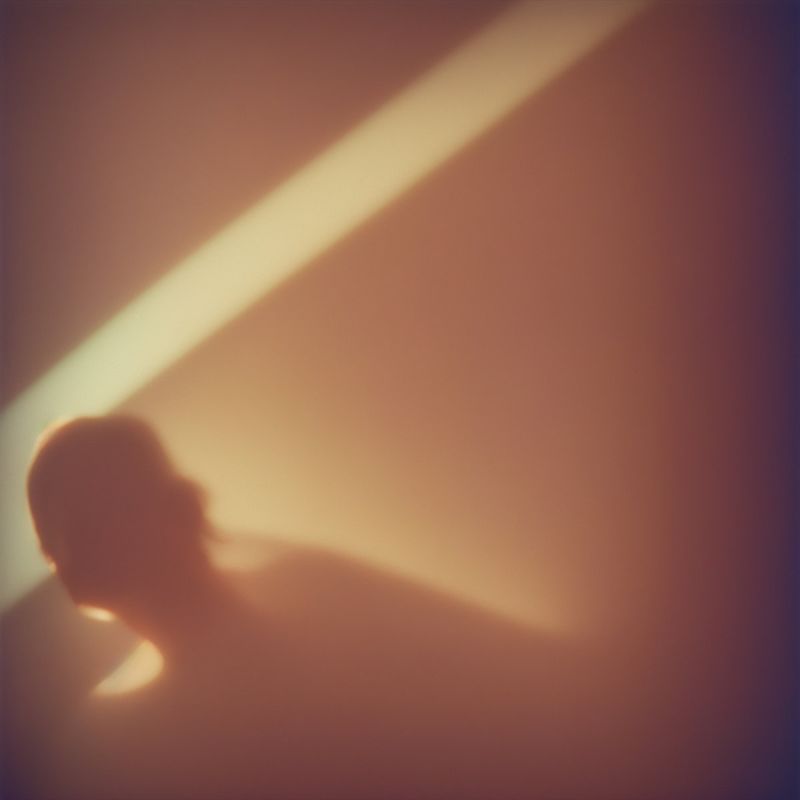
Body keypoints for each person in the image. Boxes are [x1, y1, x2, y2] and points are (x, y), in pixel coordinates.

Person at [20, 414, 644, 800]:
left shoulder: (308, 592)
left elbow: (493, 667)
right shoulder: (113, 742)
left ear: (174, 506)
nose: (64, 554)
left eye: (87, 521)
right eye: (52, 540)